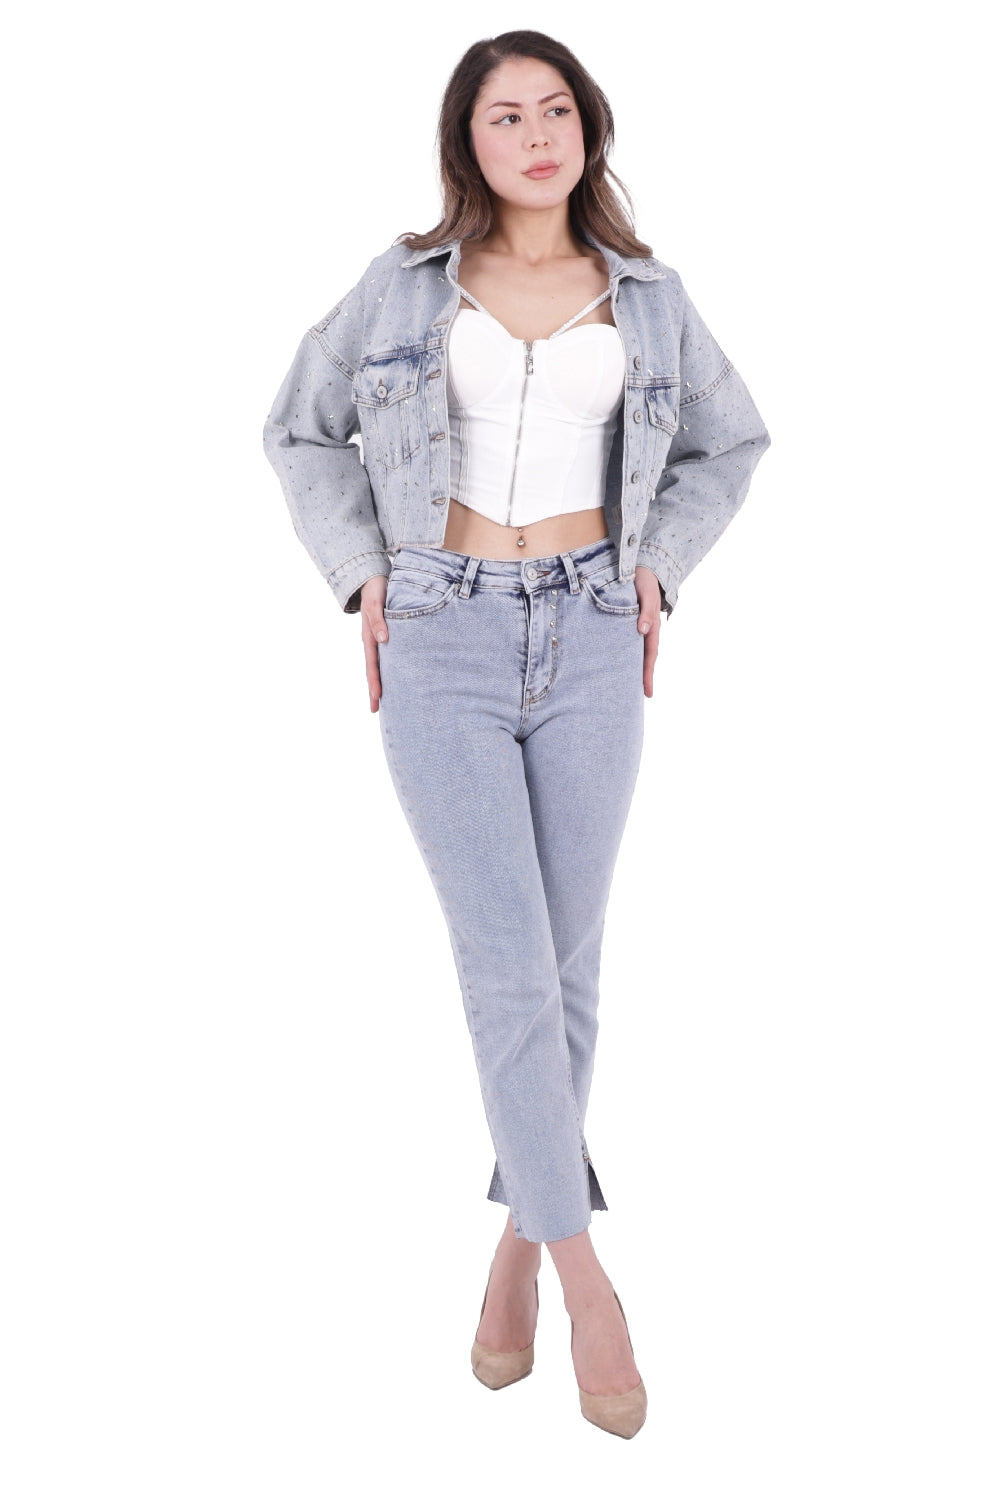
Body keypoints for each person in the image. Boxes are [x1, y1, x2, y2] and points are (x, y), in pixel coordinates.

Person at [263, 29, 770, 1439]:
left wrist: (659, 564)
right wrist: (361, 572)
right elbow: (298, 429)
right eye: (506, 116)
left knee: (565, 968)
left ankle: (513, 1251)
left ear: (587, 131)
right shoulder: (403, 286)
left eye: (556, 110)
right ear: (468, 141)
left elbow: (734, 442)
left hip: (595, 630)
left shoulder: (649, 300)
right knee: (507, 967)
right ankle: (586, 1274)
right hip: (442, 631)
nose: (536, 135)